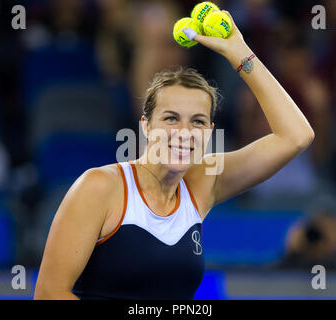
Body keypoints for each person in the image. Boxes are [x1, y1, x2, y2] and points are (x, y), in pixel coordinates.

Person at [34, 10, 315, 299]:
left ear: (208, 132)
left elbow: (296, 136)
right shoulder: (99, 187)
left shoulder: (202, 183)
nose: (184, 131)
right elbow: (48, 293)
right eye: (170, 118)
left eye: (197, 121)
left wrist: (238, 52)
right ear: (146, 126)